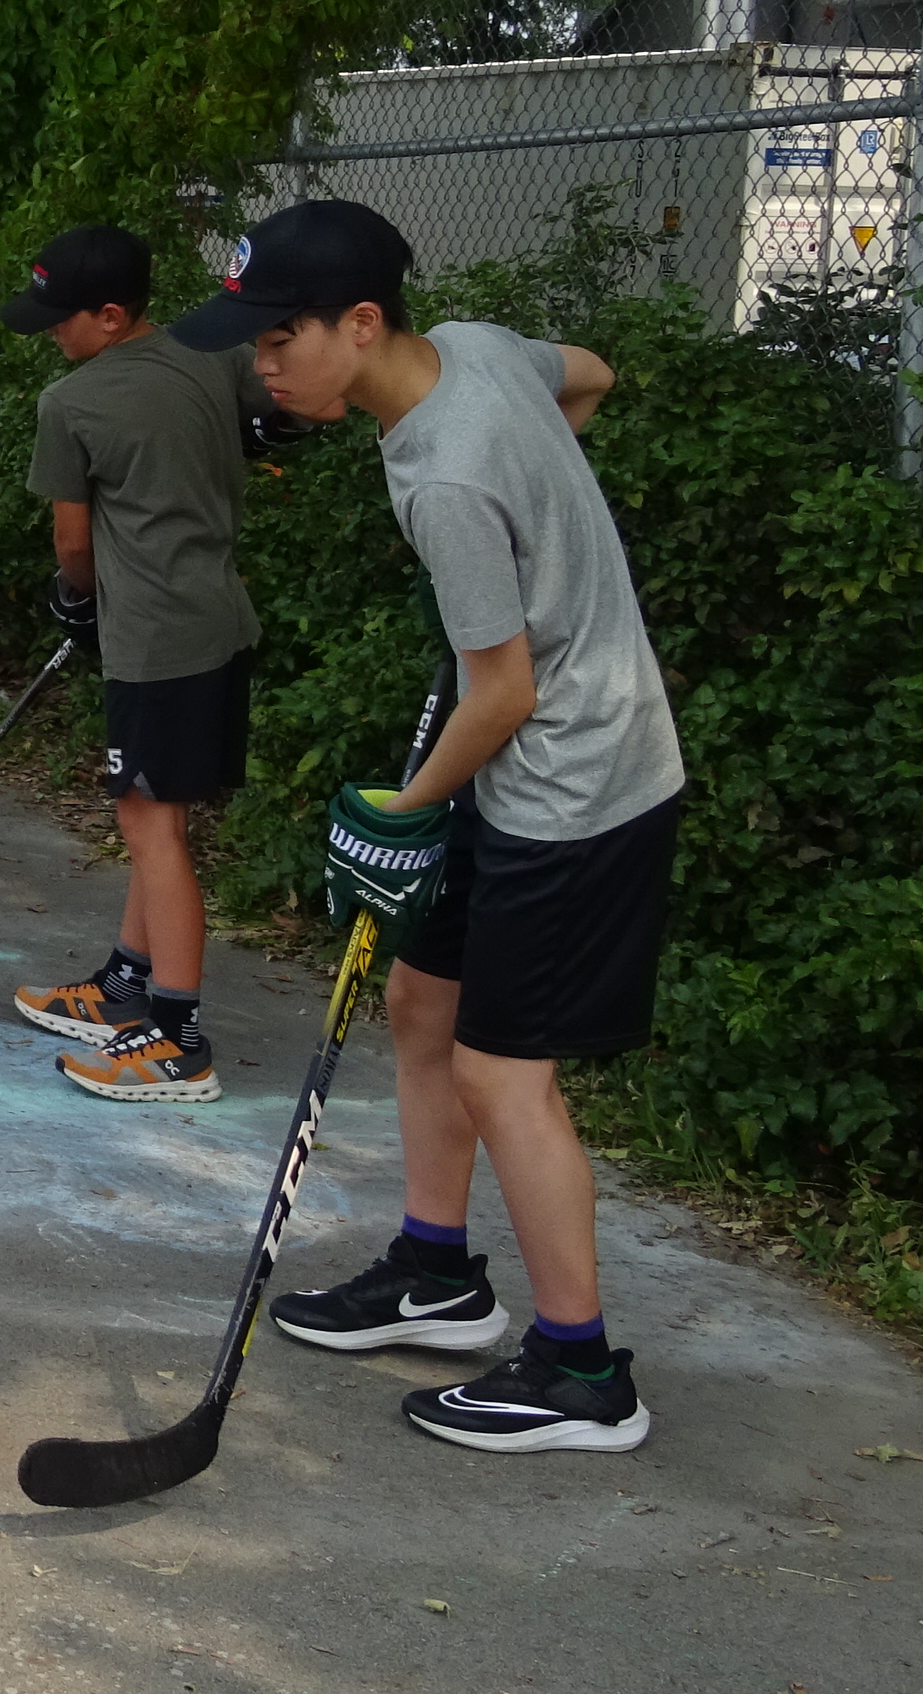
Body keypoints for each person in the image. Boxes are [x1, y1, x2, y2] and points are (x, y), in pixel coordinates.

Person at [193, 199, 680, 1456]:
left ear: (361, 323)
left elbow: (505, 691)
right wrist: (544, 522)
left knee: (500, 1065)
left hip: (573, 781)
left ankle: (581, 1369)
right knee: (424, 999)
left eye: (279, 339)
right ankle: (436, 1272)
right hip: (521, 753)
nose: (265, 365)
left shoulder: (444, 470)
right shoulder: (467, 348)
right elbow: (592, 374)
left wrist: (395, 812)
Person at [0, 225, 274, 1106]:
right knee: (149, 809)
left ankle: (176, 1036)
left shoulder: (71, 402)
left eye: (60, 318)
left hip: (154, 639)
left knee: (153, 828)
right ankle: (125, 981)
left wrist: (75, 596)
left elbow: (72, 541)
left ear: (110, 316)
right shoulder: (214, 356)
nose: (50, 334)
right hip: (220, 620)